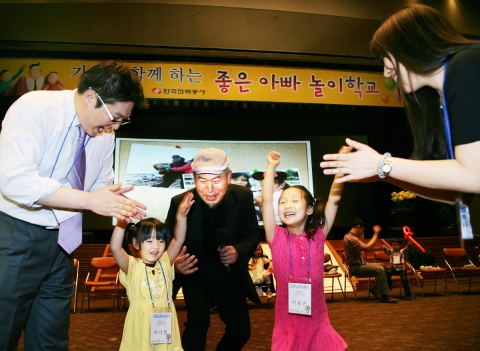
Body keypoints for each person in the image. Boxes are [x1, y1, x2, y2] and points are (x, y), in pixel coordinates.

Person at [0, 60, 149, 351]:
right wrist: (91, 200)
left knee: (51, 340)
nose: (115, 126)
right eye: (115, 117)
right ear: (92, 97)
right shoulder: (35, 108)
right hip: (15, 236)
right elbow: (15, 180)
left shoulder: (104, 136)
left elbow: (97, 185)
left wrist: (119, 202)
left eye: (122, 121)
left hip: (62, 244)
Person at [320, 4, 480, 205]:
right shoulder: (442, 99)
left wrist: (382, 164)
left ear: (410, 45)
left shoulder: (466, 65)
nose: (387, 72)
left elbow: (475, 176)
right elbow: (458, 196)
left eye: (385, 57)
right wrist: (382, 173)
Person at [165, 147, 260, 351]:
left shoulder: (242, 197)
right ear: (194, 179)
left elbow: (252, 234)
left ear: (229, 176)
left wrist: (237, 251)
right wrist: (174, 263)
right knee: (198, 323)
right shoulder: (179, 202)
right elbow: (166, 242)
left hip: (227, 271)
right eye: (202, 181)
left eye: (216, 180)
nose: (210, 189)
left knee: (241, 331)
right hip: (193, 271)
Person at [262, 150, 348, 351]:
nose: (286, 205)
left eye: (294, 201)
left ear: (310, 209)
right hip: (287, 318)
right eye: (282, 202)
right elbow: (266, 200)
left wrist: (341, 167)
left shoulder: (318, 234)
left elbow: (334, 198)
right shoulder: (276, 236)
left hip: (317, 317)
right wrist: (271, 167)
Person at [110, 192, 194, 351]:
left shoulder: (165, 262)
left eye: (161, 241)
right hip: (140, 325)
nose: (155, 247)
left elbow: (179, 239)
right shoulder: (131, 266)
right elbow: (115, 248)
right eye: (149, 241)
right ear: (135, 243)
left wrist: (181, 216)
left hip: (164, 323)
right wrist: (122, 220)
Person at [343, 219, 398, 303]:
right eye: (362, 230)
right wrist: (376, 233)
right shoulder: (351, 238)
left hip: (360, 265)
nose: (362, 232)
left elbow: (361, 240)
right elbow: (367, 247)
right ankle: (384, 296)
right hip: (355, 267)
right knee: (380, 270)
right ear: (358, 227)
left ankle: (376, 288)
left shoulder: (351, 237)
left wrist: (361, 232)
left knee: (383, 265)